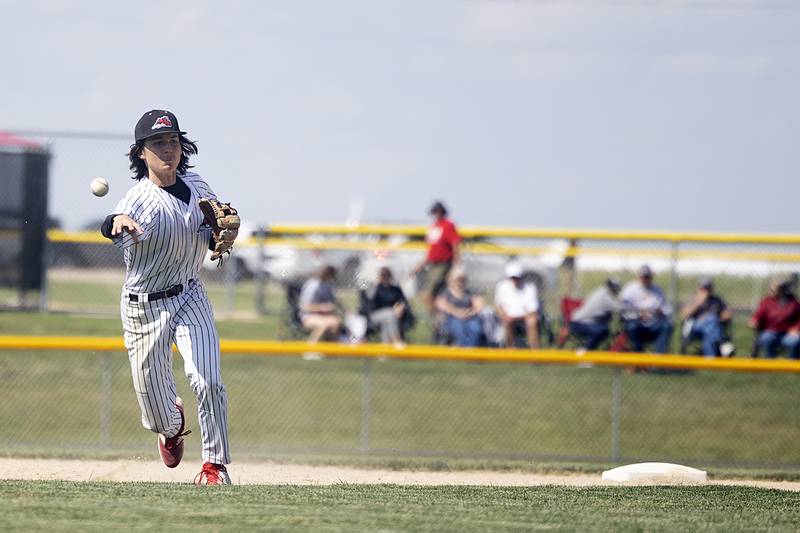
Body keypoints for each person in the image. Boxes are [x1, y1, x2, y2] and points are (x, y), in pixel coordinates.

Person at [100, 110, 231, 485]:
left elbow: (212, 228)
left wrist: (218, 234)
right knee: (158, 416)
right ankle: (171, 427)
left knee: (208, 380)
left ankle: (214, 466)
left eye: (173, 141)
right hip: (145, 307)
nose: (168, 149)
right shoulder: (140, 199)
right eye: (158, 143)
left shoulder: (198, 185)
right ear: (141, 152)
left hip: (190, 294)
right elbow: (114, 221)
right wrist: (115, 224)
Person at [413, 201, 462, 320]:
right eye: (434, 212)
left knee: (427, 293)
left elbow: (455, 244)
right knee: (427, 295)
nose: (436, 214)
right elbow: (431, 251)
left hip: (443, 264)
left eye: (437, 211)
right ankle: (439, 317)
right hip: (431, 264)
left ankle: (437, 319)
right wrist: (419, 264)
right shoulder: (433, 227)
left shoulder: (448, 225)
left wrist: (457, 264)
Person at [620, 265, 674, 354]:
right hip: (637, 323)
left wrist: (661, 311)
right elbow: (624, 310)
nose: (645, 279)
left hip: (655, 323)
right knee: (632, 327)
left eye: (648, 276)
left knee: (666, 326)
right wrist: (638, 315)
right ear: (638, 277)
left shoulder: (657, 290)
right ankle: (638, 358)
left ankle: (659, 360)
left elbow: (667, 308)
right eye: (643, 276)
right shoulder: (630, 289)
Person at [748, 275, 800, 358]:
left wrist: (797, 329)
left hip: (788, 333)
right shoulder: (766, 302)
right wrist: (754, 321)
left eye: (774, 289)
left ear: (782, 290)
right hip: (771, 331)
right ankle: (771, 361)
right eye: (770, 289)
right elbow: (758, 315)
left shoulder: (793, 302)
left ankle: (793, 364)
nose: (770, 291)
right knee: (766, 338)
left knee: (795, 341)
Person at [680, 278, 732, 357]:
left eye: (707, 288)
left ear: (711, 289)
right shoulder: (692, 298)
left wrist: (716, 318)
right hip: (695, 327)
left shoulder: (717, 300)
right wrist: (697, 303)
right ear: (698, 288)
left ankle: (710, 358)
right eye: (703, 288)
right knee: (712, 322)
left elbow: (727, 314)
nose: (705, 290)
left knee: (711, 324)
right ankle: (721, 344)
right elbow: (684, 315)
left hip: (713, 326)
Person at [494, 261, 540, 348]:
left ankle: (535, 353)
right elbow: (498, 306)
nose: (514, 280)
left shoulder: (529, 288)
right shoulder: (501, 286)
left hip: (524, 318)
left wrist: (515, 317)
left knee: (532, 321)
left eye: (517, 277)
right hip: (508, 317)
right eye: (512, 277)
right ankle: (510, 350)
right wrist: (504, 316)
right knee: (507, 321)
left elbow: (532, 311)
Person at [435, 267, 485, 347]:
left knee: (475, 328)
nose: (460, 282)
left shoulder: (470, 292)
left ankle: (471, 352)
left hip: (469, 317)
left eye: (462, 279)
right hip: (452, 317)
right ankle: (461, 351)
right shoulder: (445, 292)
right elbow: (441, 304)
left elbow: (479, 305)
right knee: (458, 328)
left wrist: (469, 313)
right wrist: (456, 312)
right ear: (451, 279)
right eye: (458, 279)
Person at [364, 267, 413, 347]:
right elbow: (368, 299)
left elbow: (404, 302)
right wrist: (375, 284)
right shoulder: (375, 288)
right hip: (374, 315)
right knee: (390, 314)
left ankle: (384, 349)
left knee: (389, 318)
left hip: (394, 316)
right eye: (383, 275)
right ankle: (396, 340)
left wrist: (400, 307)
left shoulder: (395, 289)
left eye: (387, 275)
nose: (385, 278)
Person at [569, 278, 622, 350]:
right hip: (579, 323)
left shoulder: (600, 291)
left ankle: (588, 350)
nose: (617, 290)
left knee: (604, 330)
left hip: (582, 321)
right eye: (616, 288)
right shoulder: (604, 296)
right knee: (600, 330)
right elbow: (618, 308)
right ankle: (584, 352)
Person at [299, 265, 343, 344]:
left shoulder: (327, 285)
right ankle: (310, 350)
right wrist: (322, 308)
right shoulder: (312, 286)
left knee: (335, 321)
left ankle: (332, 350)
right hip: (307, 316)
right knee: (322, 324)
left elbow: (333, 302)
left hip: (322, 315)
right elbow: (304, 307)